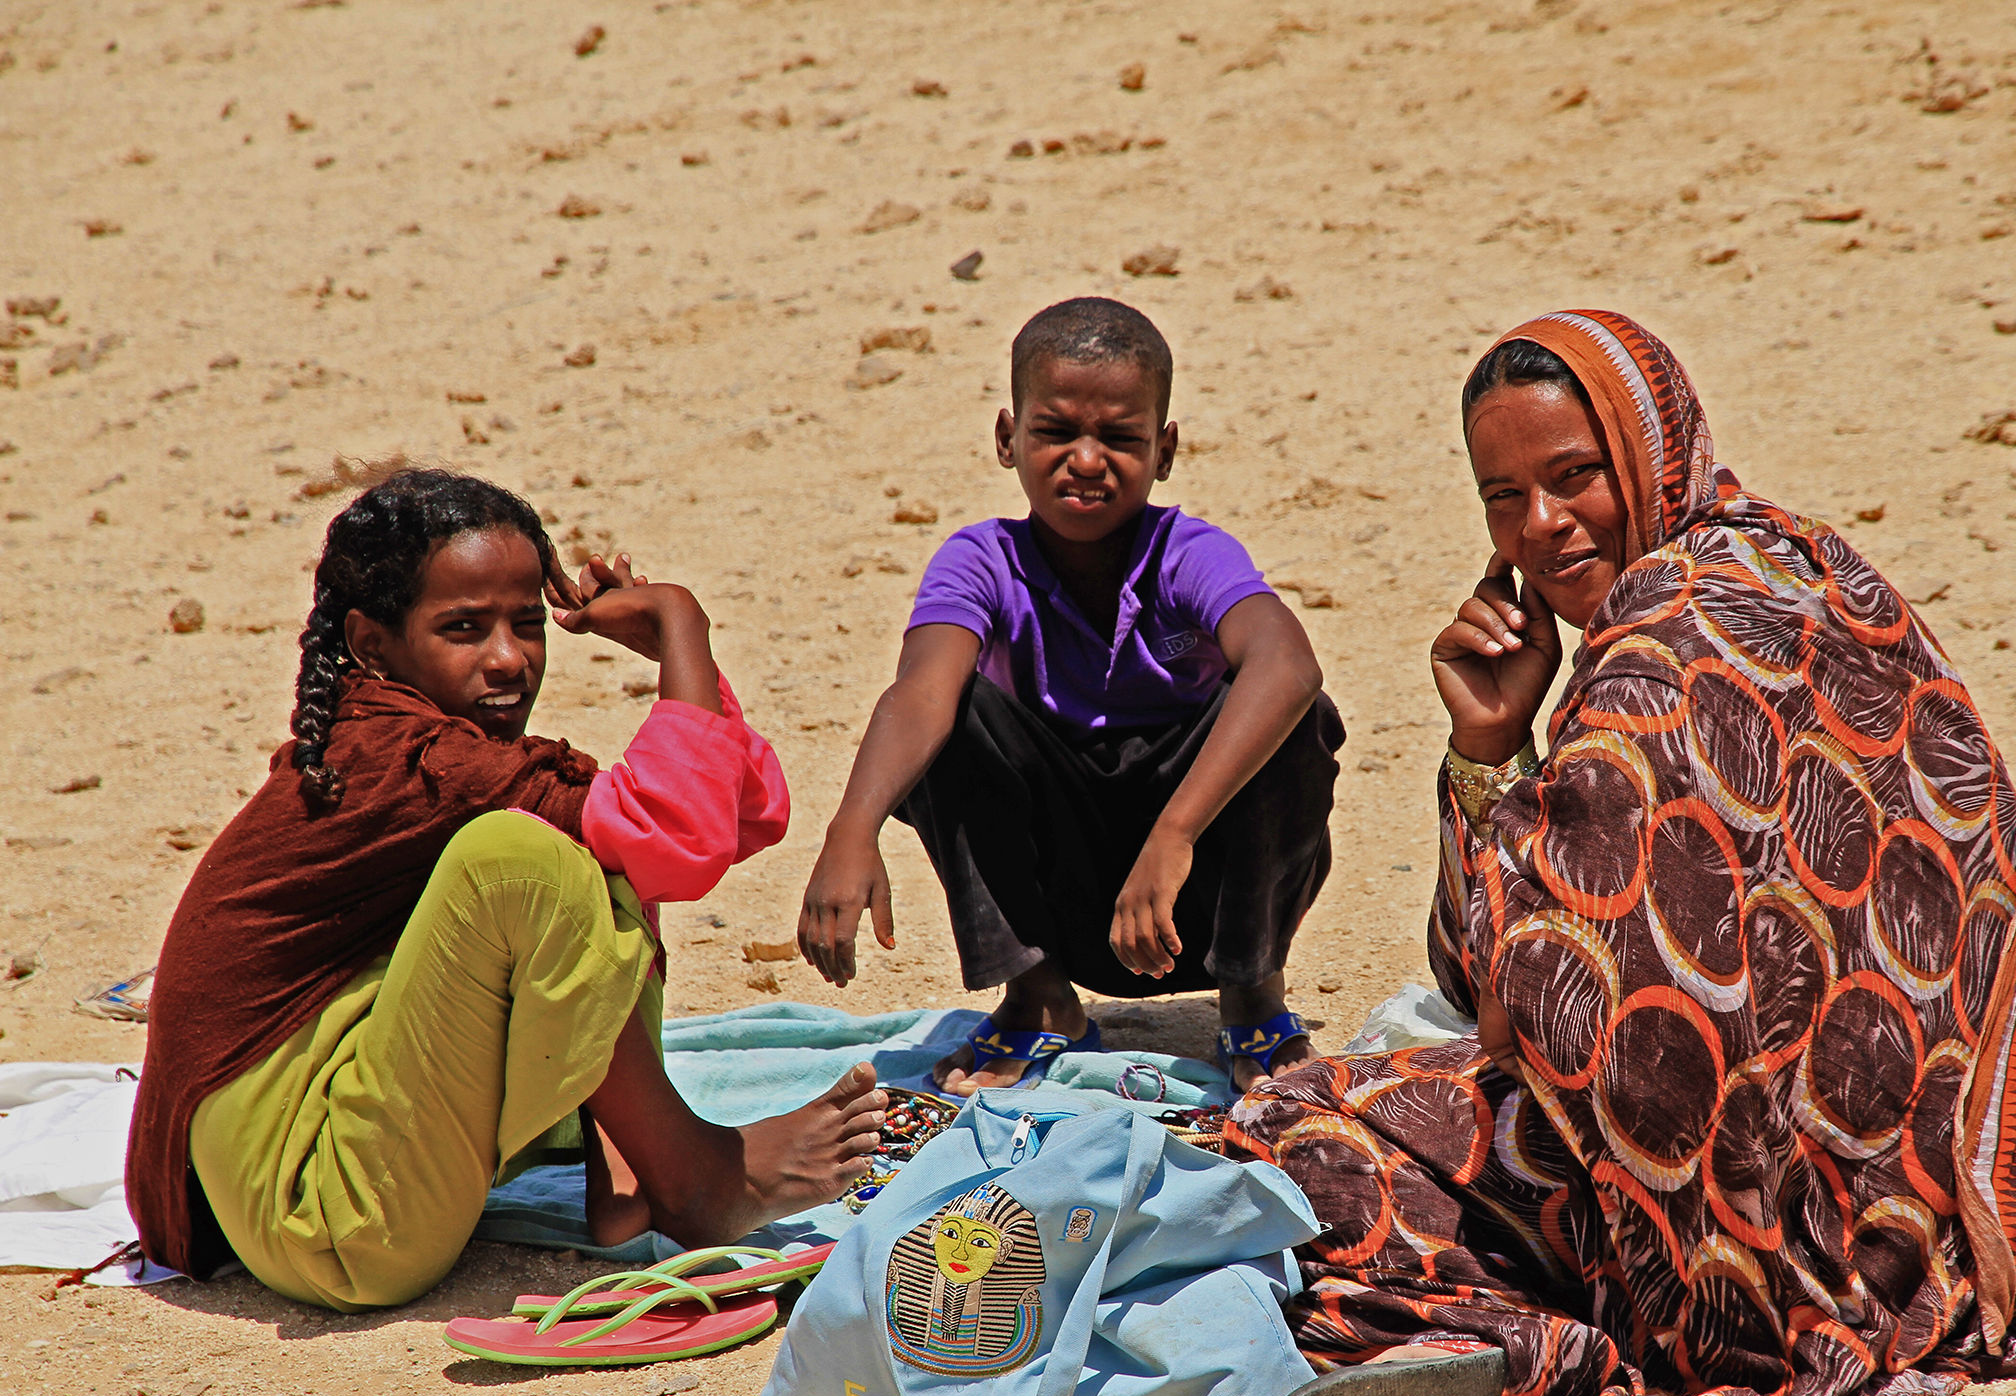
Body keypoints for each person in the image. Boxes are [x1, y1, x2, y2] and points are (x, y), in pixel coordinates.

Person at [1233, 310, 2016, 1396]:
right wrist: (1499, 732)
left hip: (1748, 1264)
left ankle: (1545, 1348)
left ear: (1646, 453)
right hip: (1945, 1208)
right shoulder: (1801, 562)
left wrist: (1489, 762)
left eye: (1573, 477)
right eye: (1502, 497)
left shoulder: (1647, 659)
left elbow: (1514, 1011)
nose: (1540, 527)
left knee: (1293, 1126)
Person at [125, 470, 884, 1311]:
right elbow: (683, 836)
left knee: (597, 837)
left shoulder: (435, 746)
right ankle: (693, 1177)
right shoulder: (415, 763)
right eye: (462, 629)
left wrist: (677, 656)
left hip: (330, 1184)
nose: (509, 658)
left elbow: (730, 813)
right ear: (373, 646)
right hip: (325, 1220)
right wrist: (681, 623)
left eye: (528, 623)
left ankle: (631, 1166)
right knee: (528, 858)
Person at [797, 297, 1343, 1094]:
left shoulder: (1186, 552)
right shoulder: (981, 560)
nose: (1087, 460)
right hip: (1059, 903)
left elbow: (1287, 662)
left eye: (1120, 438)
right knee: (958, 715)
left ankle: (1252, 997)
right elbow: (918, 694)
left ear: (1164, 451)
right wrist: (851, 830)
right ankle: (1038, 996)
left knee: (1296, 719)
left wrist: (1175, 834)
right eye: (1056, 432)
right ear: (1006, 438)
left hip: (1197, 897)